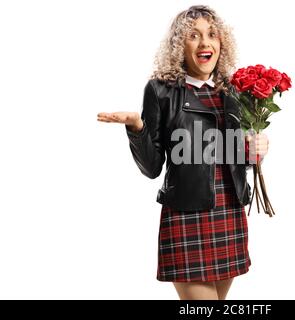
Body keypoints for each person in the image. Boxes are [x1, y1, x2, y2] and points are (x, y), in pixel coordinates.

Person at [97, 5, 269, 300]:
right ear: (180, 45)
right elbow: (152, 168)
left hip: (229, 213)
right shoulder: (161, 90)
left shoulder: (232, 92)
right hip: (187, 216)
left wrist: (257, 151)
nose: (205, 42)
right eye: (194, 35)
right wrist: (138, 127)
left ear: (221, 43)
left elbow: (235, 159)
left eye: (212, 34)